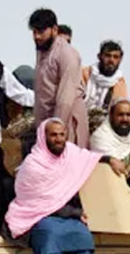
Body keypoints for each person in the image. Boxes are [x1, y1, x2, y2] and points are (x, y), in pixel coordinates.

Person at [5, 118, 126, 254]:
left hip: (68, 216)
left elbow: (91, 157)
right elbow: (43, 202)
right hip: (38, 216)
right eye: (53, 135)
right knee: (50, 232)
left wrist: (110, 159)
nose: (59, 139)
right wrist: (76, 213)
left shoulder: (71, 153)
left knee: (82, 234)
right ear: (43, 137)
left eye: (62, 134)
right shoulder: (33, 164)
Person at [29, 8, 89, 149]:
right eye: (34, 32)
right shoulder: (42, 49)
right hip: (47, 122)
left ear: (54, 29)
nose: (36, 36)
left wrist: (56, 130)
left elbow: (65, 97)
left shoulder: (67, 54)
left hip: (65, 121)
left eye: (41, 32)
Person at [82, 39, 129, 115]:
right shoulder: (84, 74)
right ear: (99, 56)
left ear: (120, 60)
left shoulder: (120, 85)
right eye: (108, 56)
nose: (111, 60)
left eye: (115, 57)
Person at [89, 97, 130, 162]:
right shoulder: (100, 137)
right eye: (120, 115)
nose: (125, 119)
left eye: (128, 115)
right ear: (111, 116)